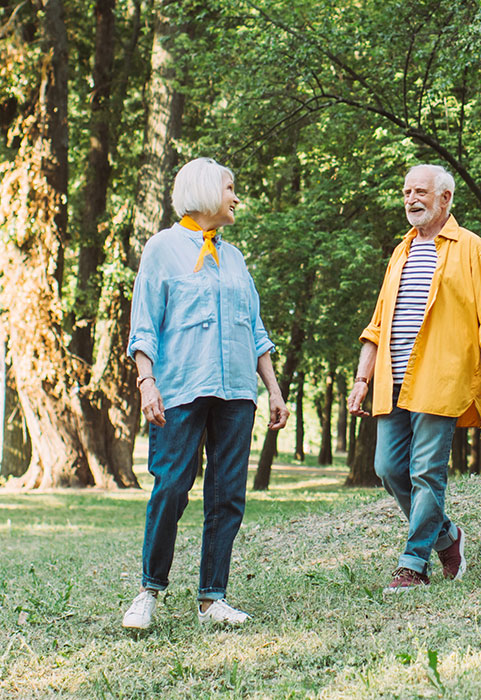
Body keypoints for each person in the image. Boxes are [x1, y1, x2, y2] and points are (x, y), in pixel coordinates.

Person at [122, 157, 289, 629]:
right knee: (172, 486)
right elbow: (144, 325)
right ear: (203, 191)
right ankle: (149, 591)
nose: (237, 198)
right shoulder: (162, 250)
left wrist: (274, 389)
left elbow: (254, 329)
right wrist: (146, 381)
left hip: (237, 391)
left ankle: (212, 599)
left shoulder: (234, 258)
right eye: (230, 188)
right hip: (179, 388)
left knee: (227, 494)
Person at [346, 163, 481, 594]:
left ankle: (413, 564)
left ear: (445, 199)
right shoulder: (400, 252)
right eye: (405, 192)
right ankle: (446, 536)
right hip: (393, 381)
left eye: (420, 191)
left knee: (425, 472)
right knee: (387, 468)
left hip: (442, 380)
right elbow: (377, 325)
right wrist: (362, 378)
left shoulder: (471, 248)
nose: (411, 199)